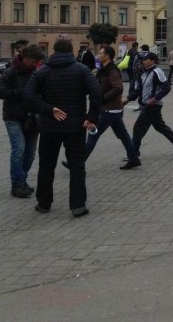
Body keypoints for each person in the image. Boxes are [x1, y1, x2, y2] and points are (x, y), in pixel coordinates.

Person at [24, 38, 103, 218]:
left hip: (49, 126)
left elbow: (28, 96)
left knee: (46, 165)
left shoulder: (43, 71)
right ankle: (78, 206)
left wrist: (49, 109)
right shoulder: (82, 70)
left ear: (53, 50)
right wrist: (91, 118)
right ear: (71, 51)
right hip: (76, 126)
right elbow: (97, 94)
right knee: (77, 166)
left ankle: (44, 203)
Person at [69, 46, 141, 170]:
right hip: (113, 109)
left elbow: (118, 87)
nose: (98, 55)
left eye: (101, 53)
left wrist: (103, 98)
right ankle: (133, 158)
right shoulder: (104, 69)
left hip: (109, 109)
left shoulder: (112, 70)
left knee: (93, 134)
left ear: (107, 56)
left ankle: (77, 163)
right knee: (123, 135)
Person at [0, 44, 45, 198]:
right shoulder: (10, 72)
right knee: (19, 150)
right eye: (33, 61)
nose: (35, 64)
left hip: (32, 118)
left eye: (38, 62)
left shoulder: (37, 73)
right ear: (25, 59)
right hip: (13, 117)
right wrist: (22, 93)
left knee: (30, 154)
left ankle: (21, 180)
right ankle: (17, 184)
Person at [126, 51, 173, 157]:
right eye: (142, 60)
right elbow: (139, 90)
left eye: (145, 60)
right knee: (160, 126)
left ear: (152, 61)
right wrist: (128, 99)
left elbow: (166, 87)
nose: (143, 62)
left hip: (153, 105)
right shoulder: (143, 73)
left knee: (138, 128)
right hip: (146, 104)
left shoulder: (157, 71)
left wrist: (155, 98)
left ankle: (134, 153)